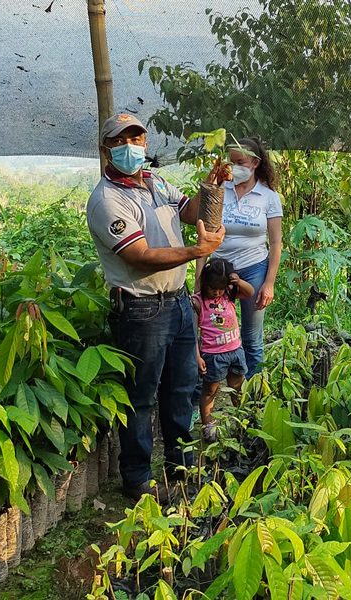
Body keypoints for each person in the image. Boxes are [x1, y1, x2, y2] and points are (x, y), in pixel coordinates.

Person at [86, 113, 228, 501]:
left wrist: (210, 190)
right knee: (141, 397)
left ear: (146, 144)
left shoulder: (155, 181)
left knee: (182, 389)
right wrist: (197, 251)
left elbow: (191, 211)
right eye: (121, 140)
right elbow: (139, 256)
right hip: (140, 311)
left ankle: (179, 467)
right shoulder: (105, 200)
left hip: (178, 303)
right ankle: (137, 478)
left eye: (137, 138)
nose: (131, 146)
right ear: (106, 149)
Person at [196, 137, 282, 379]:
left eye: (240, 162)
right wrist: (199, 276)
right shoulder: (219, 192)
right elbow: (205, 235)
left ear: (255, 163)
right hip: (218, 272)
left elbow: (276, 243)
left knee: (252, 338)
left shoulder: (268, 197)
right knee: (213, 329)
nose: (234, 168)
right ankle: (212, 386)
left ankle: (252, 396)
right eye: (231, 162)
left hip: (254, 269)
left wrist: (269, 283)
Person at [193, 258, 253, 442]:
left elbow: (250, 292)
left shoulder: (228, 294)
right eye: (213, 288)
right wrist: (197, 356)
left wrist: (238, 281)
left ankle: (243, 417)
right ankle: (208, 425)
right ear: (204, 283)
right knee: (210, 390)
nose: (217, 292)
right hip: (212, 355)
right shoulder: (198, 302)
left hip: (235, 350)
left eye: (221, 287)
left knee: (237, 387)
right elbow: (192, 332)